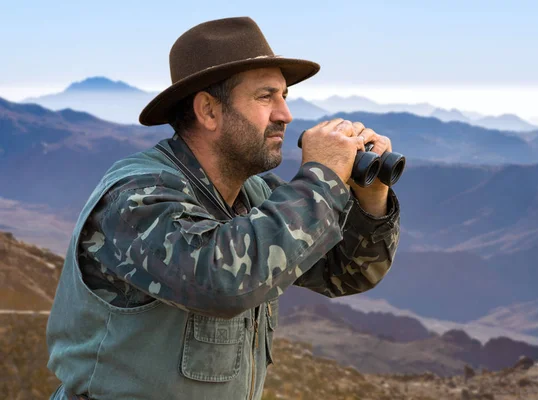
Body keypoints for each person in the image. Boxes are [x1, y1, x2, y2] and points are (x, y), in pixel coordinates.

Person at [46, 16, 400, 400]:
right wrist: (322, 178)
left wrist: (372, 193)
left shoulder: (254, 195)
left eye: (284, 96)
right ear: (209, 111)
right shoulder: (137, 198)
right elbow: (223, 283)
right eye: (266, 97)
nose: (285, 114)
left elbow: (345, 274)